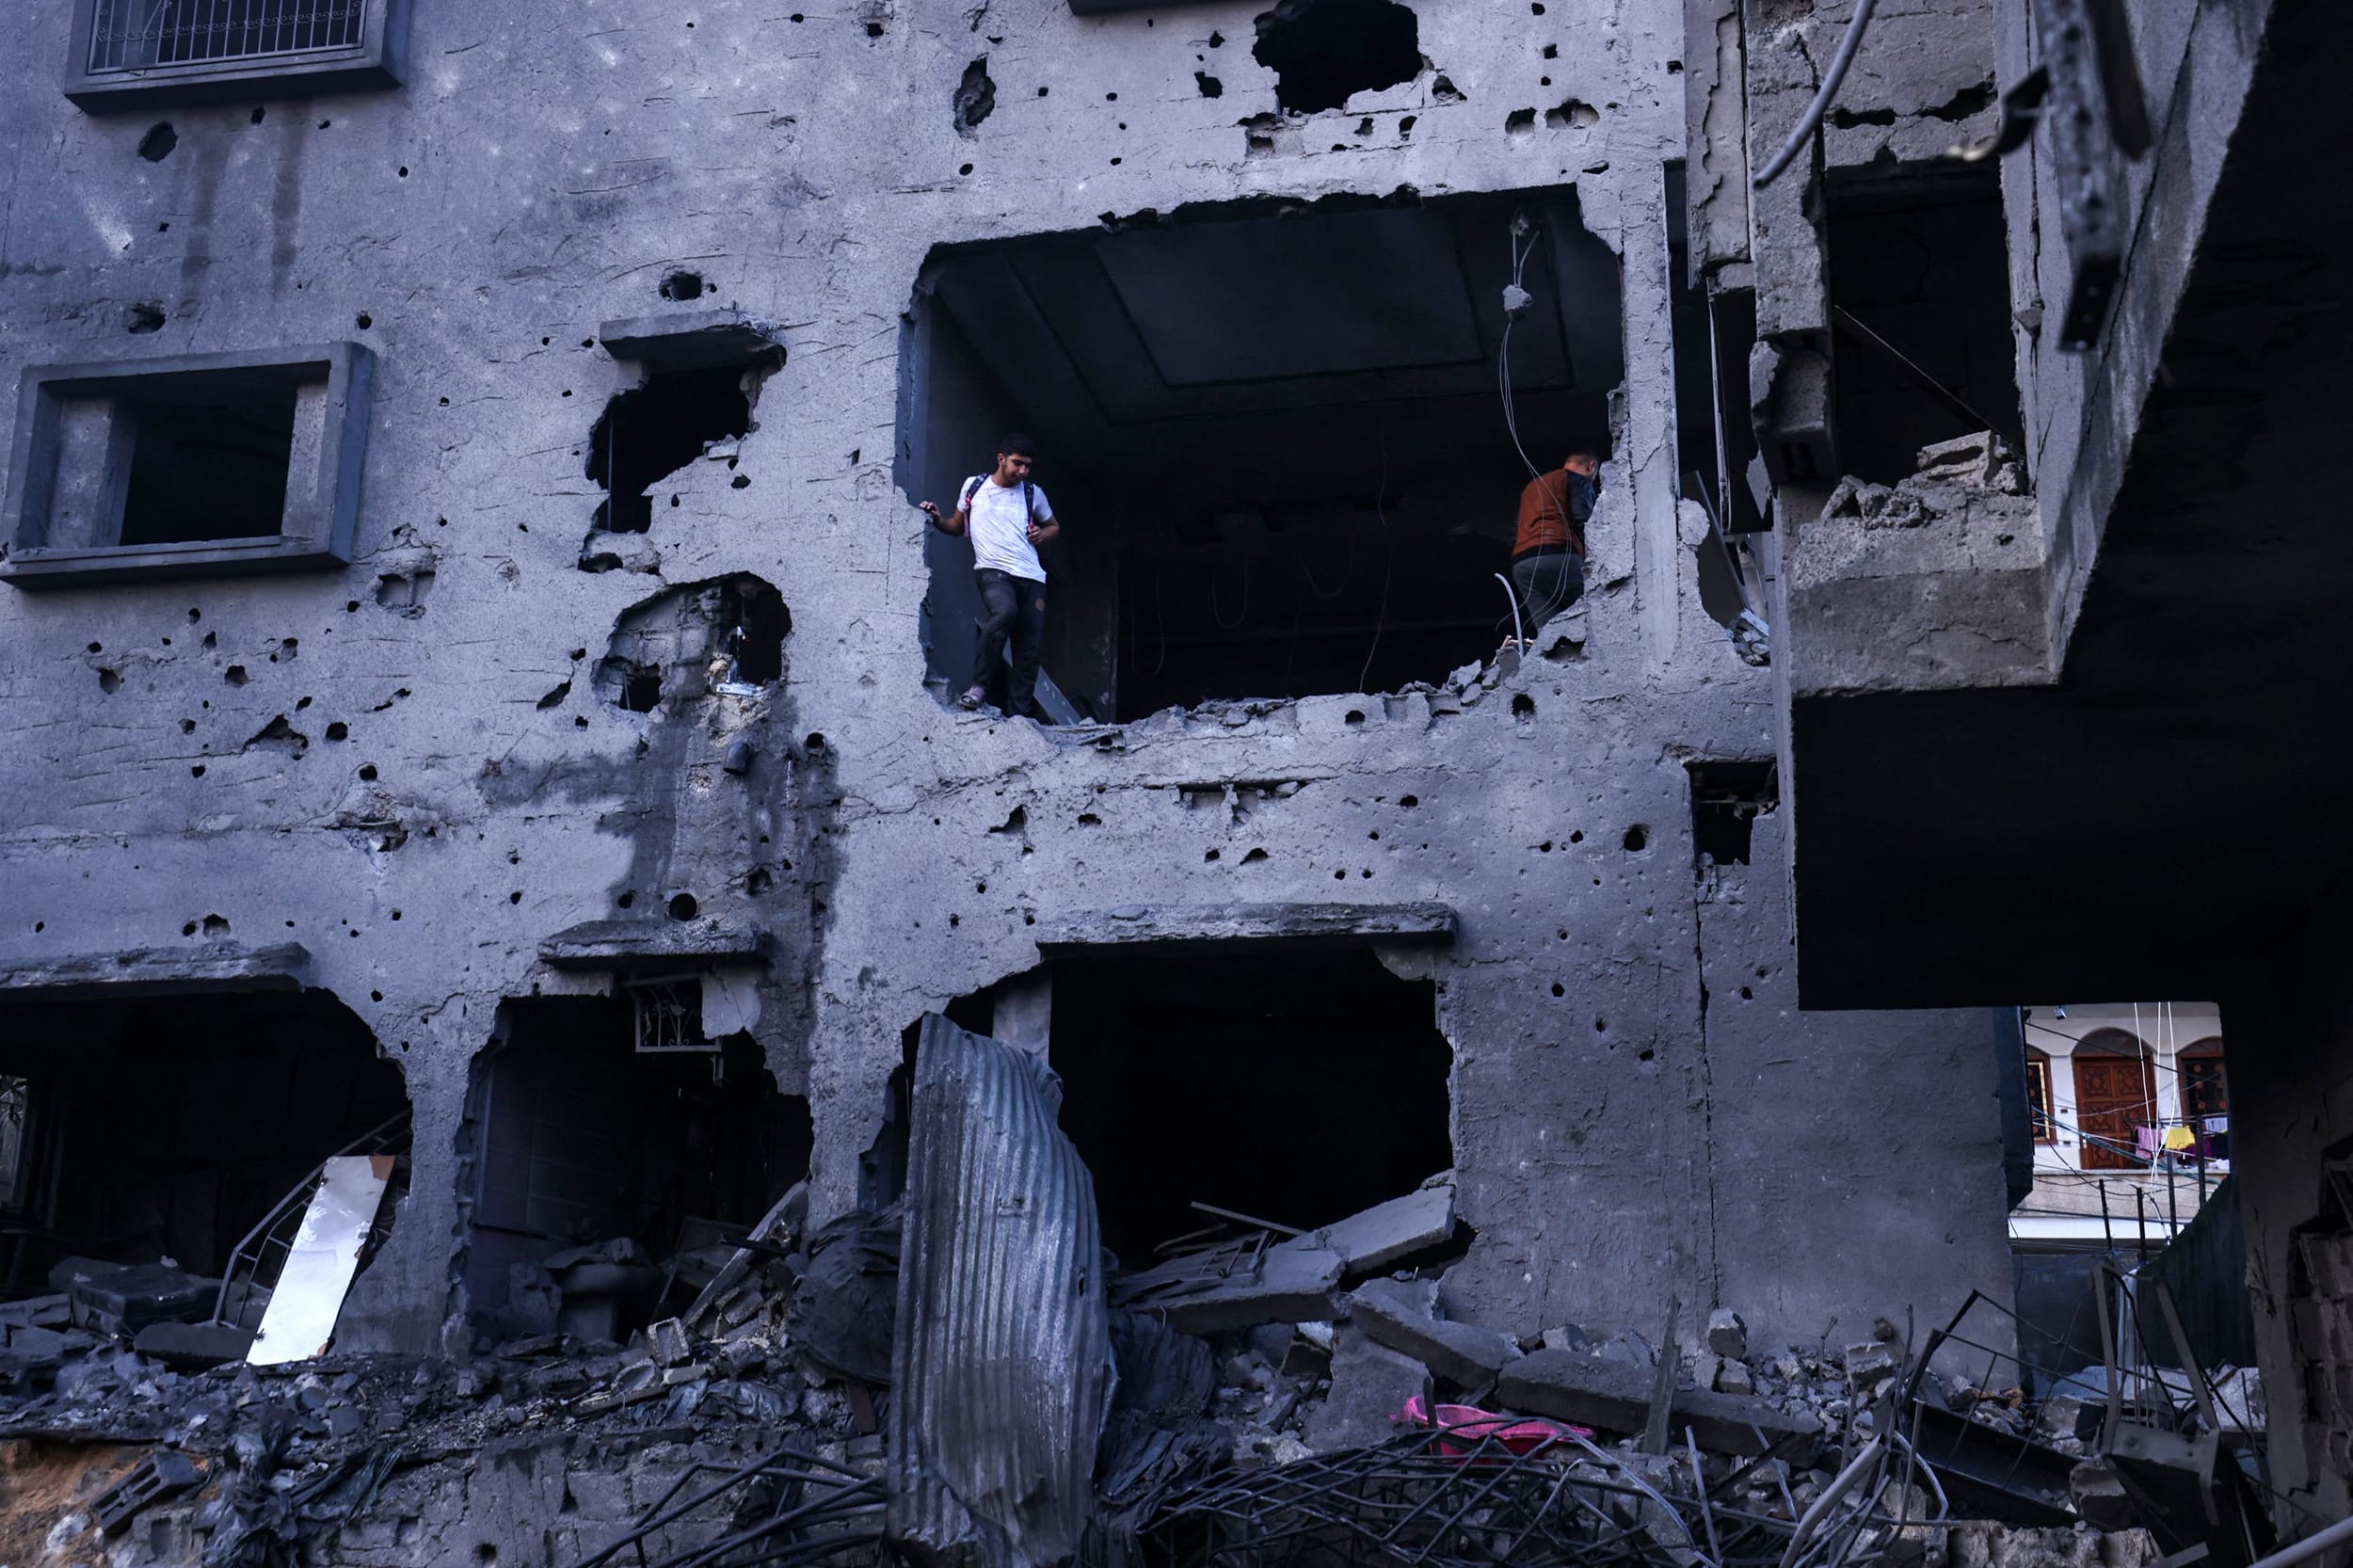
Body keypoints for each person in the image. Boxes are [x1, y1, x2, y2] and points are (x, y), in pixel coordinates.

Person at [919, 434, 1061, 717]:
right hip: (993, 571)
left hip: (1032, 578)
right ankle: (979, 687)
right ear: (1001, 459)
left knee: (1029, 650)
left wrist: (1041, 534)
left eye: (1027, 466)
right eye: (1017, 464)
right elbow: (957, 526)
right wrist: (937, 517)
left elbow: (1054, 526)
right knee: (1004, 612)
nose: (1023, 471)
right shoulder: (975, 486)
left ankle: (1019, 716)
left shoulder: (1033, 493)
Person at [1509, 447, 1599, 647]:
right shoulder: (1577, 480)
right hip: (1559, 555)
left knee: (1551, 639)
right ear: (1591, 466)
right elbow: (1583, 521)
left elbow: (1514, 533)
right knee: (1598, 613)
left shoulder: (1531, 488)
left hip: (1523, 566)